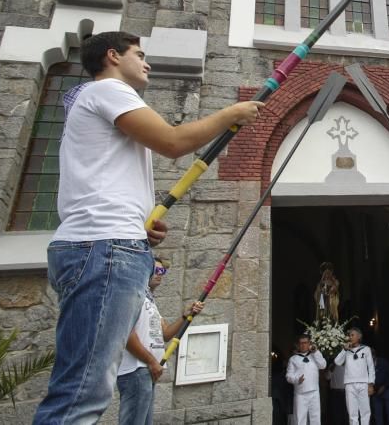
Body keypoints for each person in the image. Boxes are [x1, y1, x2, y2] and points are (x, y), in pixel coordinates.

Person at [33, 31, 263, 424]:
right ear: (112, 56)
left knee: (86, 386)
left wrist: (142, 225)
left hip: (108, 242)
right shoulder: (108, 90)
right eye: (139, 55)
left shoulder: (95, 100)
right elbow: (172, 142)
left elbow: (104, 179)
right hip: (103, 247)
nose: (147, 62)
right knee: (82, 393)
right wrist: (230, 114)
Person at [114, 257, 204, 425]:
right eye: (156, 270)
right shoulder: (132, 295)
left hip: (147, 371)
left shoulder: (150, 301)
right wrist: (152, 361)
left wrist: (186, 315)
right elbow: (126, 335)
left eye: (162, 271)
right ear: (142, 270)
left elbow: (165, 334)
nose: (160, 274)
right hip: (136, 370)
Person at [334, 327, 375, 425]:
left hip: (363, 383)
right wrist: (344, 350)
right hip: (349, 384)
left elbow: (371, 367)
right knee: (352, 413)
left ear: (359, 336)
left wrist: (371, 384)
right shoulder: (346, 350)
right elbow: (337, 362)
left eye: (352, 335)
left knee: (365, 411)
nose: (350, 337)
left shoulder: (366, 349)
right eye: (349, 335)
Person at [285, 333, 326, 425]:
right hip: (300, 394)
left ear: (309, 344)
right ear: (298, 345)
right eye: (301, 343)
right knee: (300, 419)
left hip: (314, 392)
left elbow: (323, 365)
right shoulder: (293, 359)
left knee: (315, 418)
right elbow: (288, 376)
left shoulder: (315, 356)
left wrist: (316, 352)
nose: (303, 345)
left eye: (305, 343)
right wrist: (297, 379)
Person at [371, 350, 389, 425]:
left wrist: (384, 386)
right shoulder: (366, 365)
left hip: (387, 389)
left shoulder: (383, 362)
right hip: (376, 392)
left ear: (374, 356)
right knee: (378, 414)